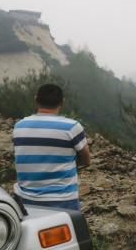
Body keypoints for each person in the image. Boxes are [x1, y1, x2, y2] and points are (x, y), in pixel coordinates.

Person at [12, 83, 90, 211]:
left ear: (36, 99)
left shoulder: (19, 126)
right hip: (63, 200)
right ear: (62, 102)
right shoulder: (72, 127)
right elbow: (86, 160)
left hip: (25, 199)